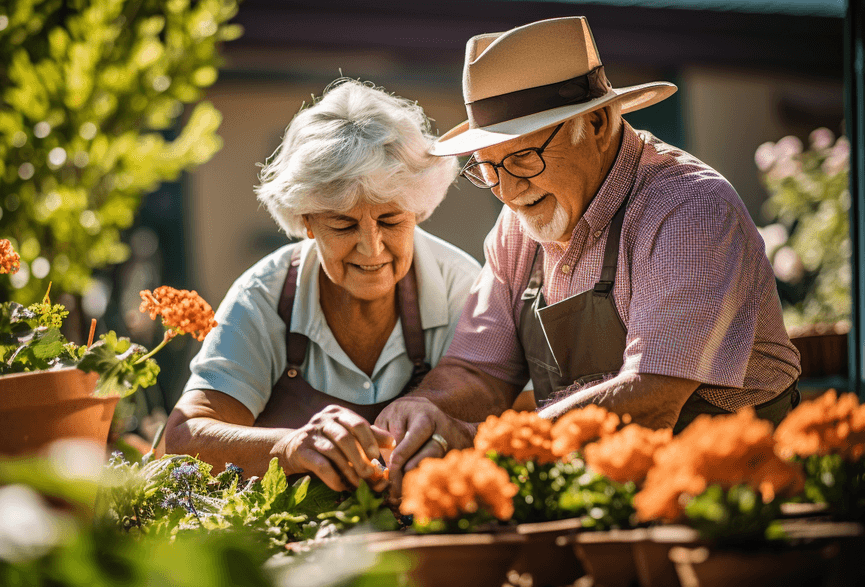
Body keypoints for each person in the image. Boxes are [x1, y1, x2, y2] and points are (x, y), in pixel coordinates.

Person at [376, 17, 802, 493]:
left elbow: (651, 399)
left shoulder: (688, 209)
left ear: (597, 123)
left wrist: (479, 442)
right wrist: (426, 411)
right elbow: (478, 371)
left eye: (522, 158)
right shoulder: (518, 226)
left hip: (734, 500)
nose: (509, 190)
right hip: (600, 494)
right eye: (488, 168)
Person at [163, 79, 481, 492]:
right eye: (344, 224)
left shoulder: (461, 285)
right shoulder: (264, 295)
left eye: (390, 221)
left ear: (419, 210)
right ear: (307, 222)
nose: (371, 248)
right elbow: (183, 437)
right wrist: (289, 446)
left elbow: (512, 417)